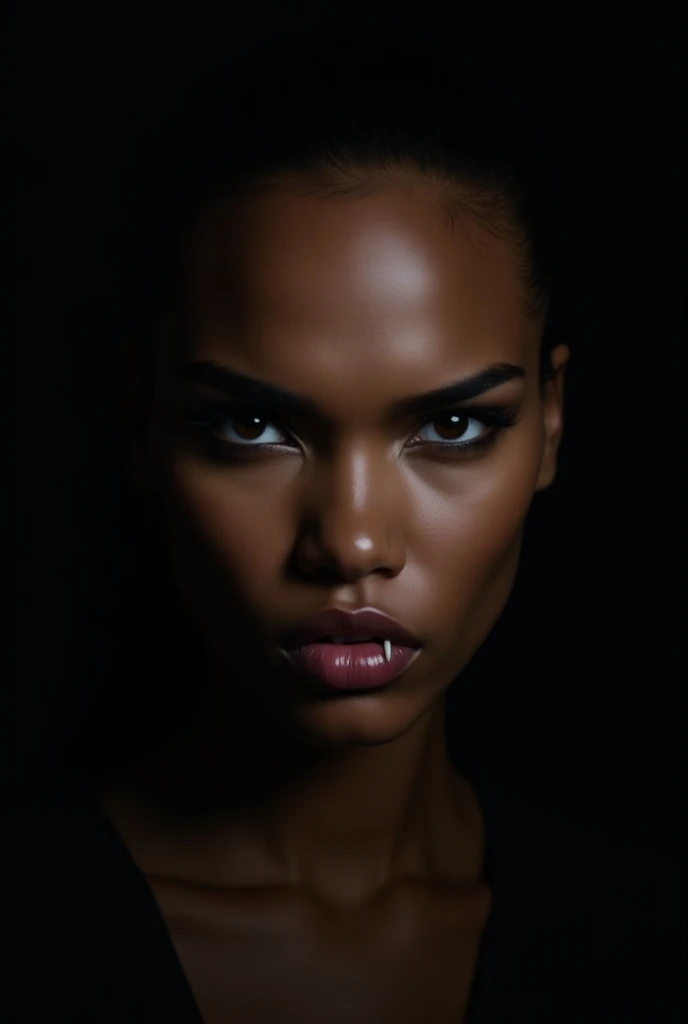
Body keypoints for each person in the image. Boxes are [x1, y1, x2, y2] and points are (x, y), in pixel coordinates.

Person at [6, 22, 680, 1024]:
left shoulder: (647, 946)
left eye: (453, 426)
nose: (354, 543)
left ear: (550, 423)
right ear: (143, 422)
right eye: (253, 424)